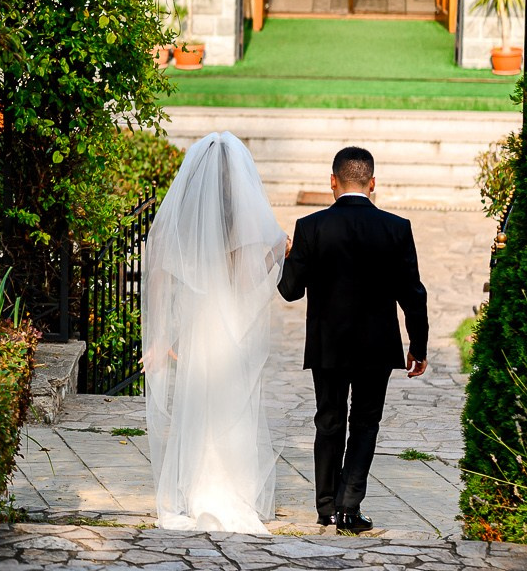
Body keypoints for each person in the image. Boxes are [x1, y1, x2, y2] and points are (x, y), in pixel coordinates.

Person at [276, 146, 429, 533]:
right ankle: (349, 507)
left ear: (332, 181)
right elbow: (413, 293)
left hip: (327, 345)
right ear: (372, 183)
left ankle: (325, 506)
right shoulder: (396, 228)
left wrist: (285, 257)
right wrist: (419, 345)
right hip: (376, 347)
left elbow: (290, 291)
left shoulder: (310, 227)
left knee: (328, 422)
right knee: (364, 424)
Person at [142, 132, 288, 534]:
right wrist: (278, 251)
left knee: (198, 406)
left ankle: (196, 490)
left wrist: (162, 334)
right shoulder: (241, 217)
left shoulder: (184, 220)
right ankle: (231, 490)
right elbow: (247, 282)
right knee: (233, 407)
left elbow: (160, 276)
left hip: (198, 327)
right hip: (231, 328)